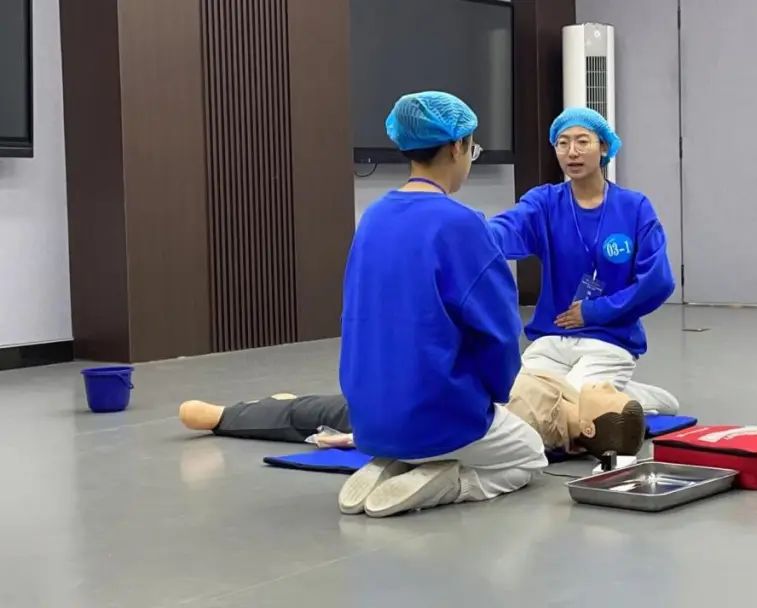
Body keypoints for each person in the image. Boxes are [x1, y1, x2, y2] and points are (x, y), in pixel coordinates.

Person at [336, 91, 542, 518]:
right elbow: (499, 331)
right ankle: (450, 481)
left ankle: (391, 464)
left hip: (367, 421)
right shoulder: (461, 224)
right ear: (456, 147)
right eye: (472, 147)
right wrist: (498, 394)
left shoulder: (372, 218)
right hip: (438, 416)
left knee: (417, 430)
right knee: (530, 454)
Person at [488, 107, 680, 414]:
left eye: (582, 141)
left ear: (603, 146)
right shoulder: (545, 202)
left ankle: (624, 399)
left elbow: (658, 281)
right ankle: (619, 395)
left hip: (608, 339)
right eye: (562, 143)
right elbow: (508, 227)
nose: (572, 152)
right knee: (517, 404)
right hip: (551, 339)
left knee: (565, 409)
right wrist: (470, 233)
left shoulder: (634, 207)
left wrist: (595, 311)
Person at [177, 371, 647, 459]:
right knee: (319, 403)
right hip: (421, 387)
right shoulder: (567, 397)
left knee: (314, 412)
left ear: (588, 426)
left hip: (411, 410)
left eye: (607, 395)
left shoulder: (537, 422)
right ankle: (278, 405)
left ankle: (223, 416)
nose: (607, 386)